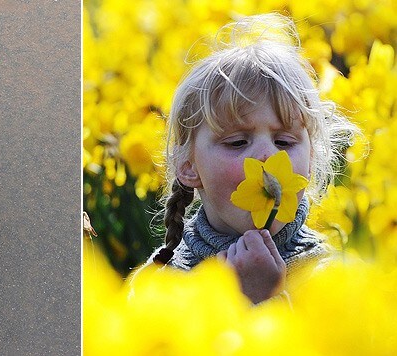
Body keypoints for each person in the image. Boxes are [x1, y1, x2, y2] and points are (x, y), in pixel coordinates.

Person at [143, 13, 358, 304]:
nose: (267, 156)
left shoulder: (330, 281)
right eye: (237, 142)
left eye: (284, 141)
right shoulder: (163, 285)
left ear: (310, 160)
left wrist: (262, 301)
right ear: (189, 166)